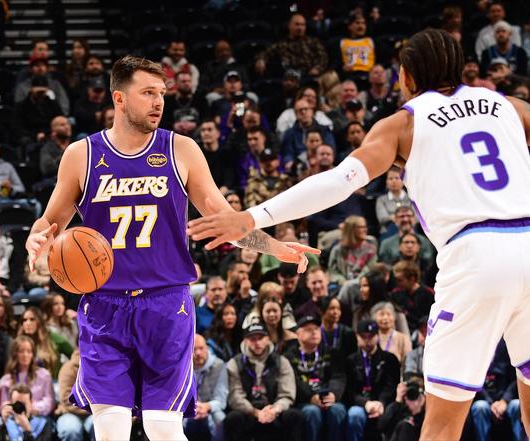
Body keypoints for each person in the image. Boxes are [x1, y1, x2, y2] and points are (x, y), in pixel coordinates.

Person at [190, 28, 530, 440]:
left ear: (406, 77)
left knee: (442, 424)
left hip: (478, 252)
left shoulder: (403, 123)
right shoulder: (508, 105)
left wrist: (251, 217)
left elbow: (339, 181)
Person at [23, 55, 314, 441]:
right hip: (104, 304)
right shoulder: (82, 155)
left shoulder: (181, 150)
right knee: (110, 430)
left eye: (161, 93)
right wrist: (36, 237)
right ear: (119, 99)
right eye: (147, 93)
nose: (158, 101)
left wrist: (273, 247)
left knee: (163, 428)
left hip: (165, 303)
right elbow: (49, 223)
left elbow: (226, 219)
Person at [224, 322, 302, 441]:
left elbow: (287, 394)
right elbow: (235, 396)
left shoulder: (281, 361)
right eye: (252, 339)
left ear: (268, 339)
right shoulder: (234, 363)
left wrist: (274, 410)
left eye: (260, 338)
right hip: (248, 410)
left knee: (294, 416)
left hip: (274, 408)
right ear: (245, 341)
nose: (257, 343)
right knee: (233, 418)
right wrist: (255, 412)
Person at [284, 315, 347, 441]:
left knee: (337, 410)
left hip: (329, 398)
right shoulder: (289, 356)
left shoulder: (332, 353)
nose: (314, 332)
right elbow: (293, 381)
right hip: (304, 400)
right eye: (308, 330)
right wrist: (311, 397)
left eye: (317, 329)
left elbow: (338, 377)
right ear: (298, 334)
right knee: (312, 412)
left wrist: (333, 395)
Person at [345, 319, 400, 441]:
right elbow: (350, 391)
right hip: (360, 403)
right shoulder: (350, 361)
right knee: (355, 414)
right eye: (363, 336)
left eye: (371, 336)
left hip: (384, 403)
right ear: (357, 337)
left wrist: (381, 403)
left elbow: (391, 387)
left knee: (393, 412)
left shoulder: (390, 359)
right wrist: (365, 403)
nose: (367, 340)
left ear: (378, 336)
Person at [184, 334, 227, 441]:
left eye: (201, 348)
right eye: (194, 349)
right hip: (186, 409)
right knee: (172, 421)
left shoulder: (219, 365)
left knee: (220, 419)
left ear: (207, 348)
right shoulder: (182, 366)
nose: (198, 353)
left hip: (211, 409)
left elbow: (221, 399)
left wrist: (207, 406)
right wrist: (191, 408)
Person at [0, 336, 54, 417]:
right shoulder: (7, 379)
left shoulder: (44, 375)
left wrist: (31, 407)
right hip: (14, 417)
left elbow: (49, 402)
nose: (25, 355)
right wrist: (9, 408)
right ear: (15, 354)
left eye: (29, 351)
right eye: (21, 351)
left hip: (37, 415)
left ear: (33, 354)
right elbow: (3, 404)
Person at [55, 349, 94, 441]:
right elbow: (66, 399)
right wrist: (92, 408)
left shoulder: (101, 366)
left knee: (102, 426)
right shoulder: (68, 368)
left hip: (94, 412)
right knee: (70, 430)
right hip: (69, 412)